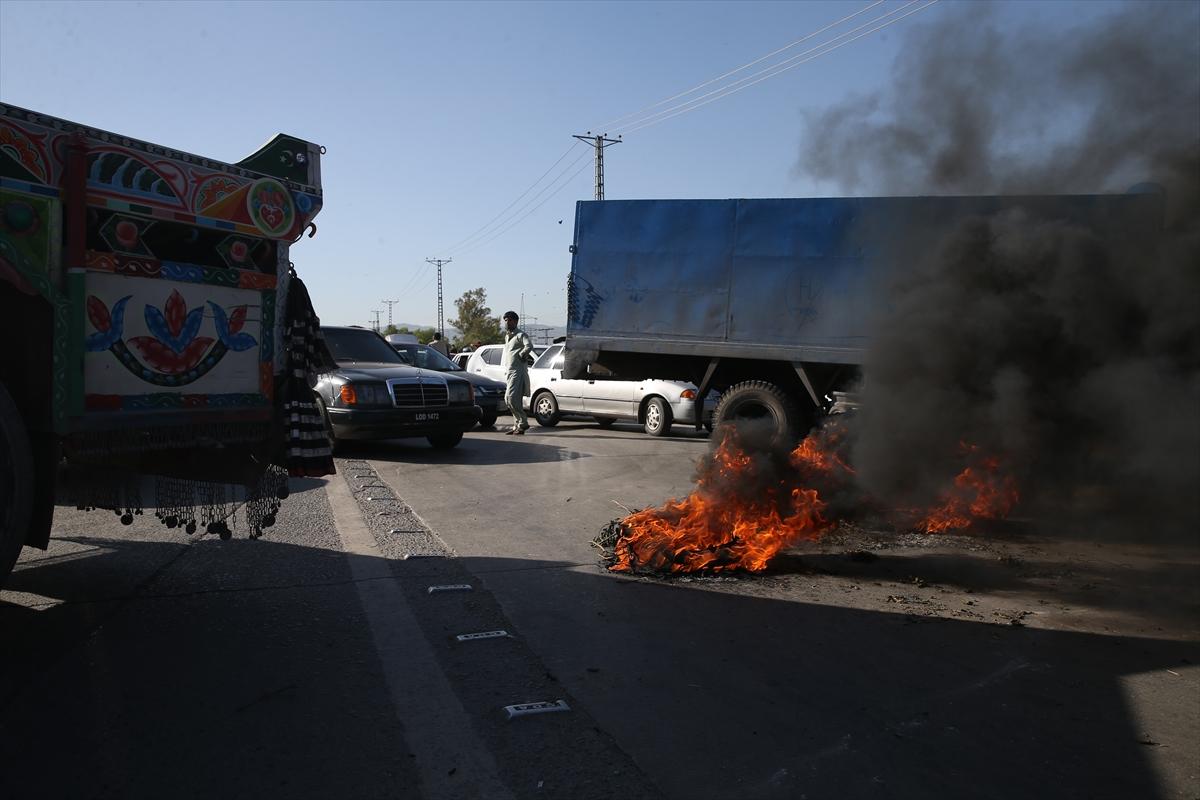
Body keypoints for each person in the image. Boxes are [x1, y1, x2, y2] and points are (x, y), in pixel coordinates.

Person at [500, 310, 533, 435]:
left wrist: (522, 354)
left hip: (517, 372)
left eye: (509, 320)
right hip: (509, 371)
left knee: (512, 398)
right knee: (508, 399)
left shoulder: (521, 335)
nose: (507, 322)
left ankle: (523, 423)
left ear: (515, 321)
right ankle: (517, 425)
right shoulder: (508, 336)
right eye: (505, 320)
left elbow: (529, 346)